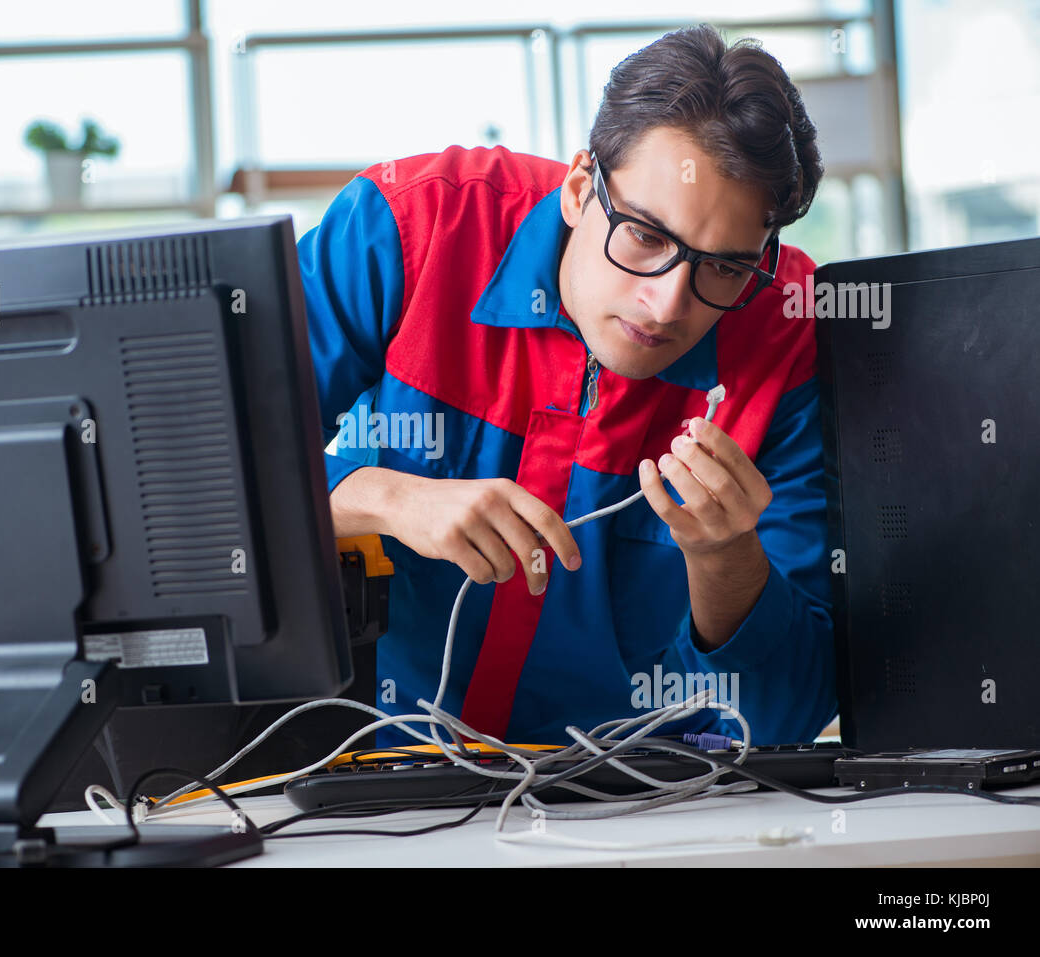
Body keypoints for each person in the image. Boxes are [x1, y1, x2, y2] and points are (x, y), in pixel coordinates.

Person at [299, 23, 835, 748]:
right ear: (581, 187)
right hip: (368, 772)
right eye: (645, 236)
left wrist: (725, 559)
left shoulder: (787, 328)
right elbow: (199, 479)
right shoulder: (410, 225)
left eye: (723, 267)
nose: (668, 303)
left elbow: (792, 712)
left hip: (651, 808)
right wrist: (383, 497)